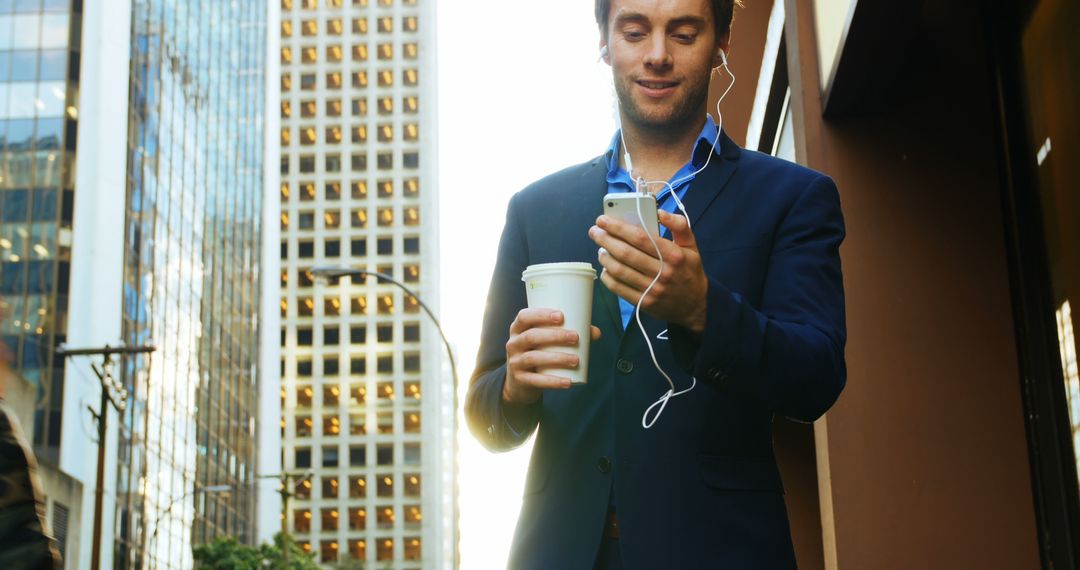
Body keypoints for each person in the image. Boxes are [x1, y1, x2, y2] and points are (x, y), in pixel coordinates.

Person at [465, 0, 846, 567]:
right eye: (635, 31)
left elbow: (816, 381)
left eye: (685, 32)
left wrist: (704, 309)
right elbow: (483, 413)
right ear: (604, 41)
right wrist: (517, 386)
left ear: (720, 43)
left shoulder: (792, 199)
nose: (658, 56)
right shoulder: (535, 209)